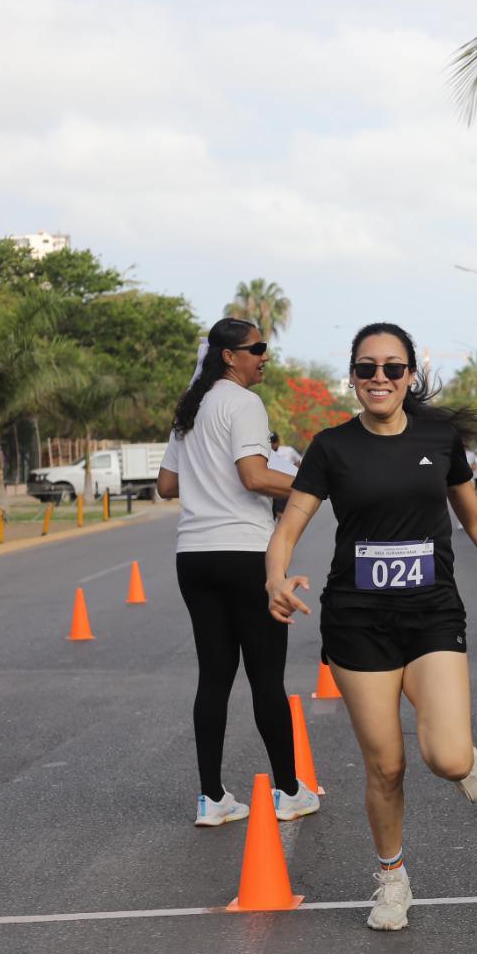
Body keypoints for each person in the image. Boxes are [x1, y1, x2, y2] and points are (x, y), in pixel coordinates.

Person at [265, 322, 477, 932]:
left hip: (432, 613)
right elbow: (287, 528)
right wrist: (275, 577)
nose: (380, 379)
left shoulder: (439, 440)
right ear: (354, 378)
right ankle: (392, 879)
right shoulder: (330, 447)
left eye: (393, 368)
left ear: (410, 375)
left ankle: (460, 757)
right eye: (367, 369)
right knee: (386, 766)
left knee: (444, 757)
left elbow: (475, 521)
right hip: (357, 621)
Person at [156, 318, 317, 827]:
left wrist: (208, 485)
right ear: (230, 356)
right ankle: (289, 791)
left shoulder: (191, 409)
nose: (265, 356)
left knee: (215, 677)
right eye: (257, 349)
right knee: (266, 677)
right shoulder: (243, 403)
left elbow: (165, 485)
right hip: (246, 554)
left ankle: (212, 798)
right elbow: (253, 476)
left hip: (194, 557)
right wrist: (312, 486)